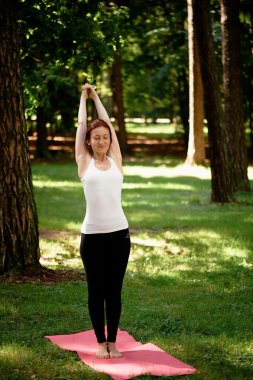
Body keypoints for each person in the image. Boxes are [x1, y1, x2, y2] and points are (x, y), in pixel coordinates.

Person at [75, 83, 131, 359]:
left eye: (105, 137)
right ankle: (100, 341)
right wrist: (84, 100)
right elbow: (82, 123)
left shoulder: (117, 159)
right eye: (96, 137)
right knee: (96, 290)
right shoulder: (83, 162)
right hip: (93, 238)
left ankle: (114, 341)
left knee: (114, 291)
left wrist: (97, 96)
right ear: (89, 140)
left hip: (119, 235)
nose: (101, 141)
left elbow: (108, 122)